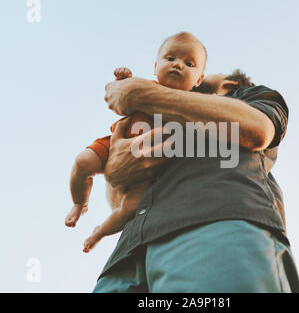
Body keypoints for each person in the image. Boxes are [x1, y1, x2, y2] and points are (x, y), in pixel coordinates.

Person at [91, 64, 299, 292]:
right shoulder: (158, 119)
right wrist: (116, 171)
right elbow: (118, 202)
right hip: (125, 260)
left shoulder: (249, 96)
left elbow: (258, 129)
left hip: (216, 229)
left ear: (229, 85)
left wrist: (143, 94)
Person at [65, 32, 207, 252]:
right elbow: (120, 98)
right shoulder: (146, 87)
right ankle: (79, 203)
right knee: (83, 162)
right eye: (170, 59)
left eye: (189, 63)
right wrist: (123, 81)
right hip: (114, 144)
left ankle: (100, 232)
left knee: (130, 209)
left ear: (198, 80)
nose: (178, 65)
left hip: (149, 168)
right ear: (155, 66)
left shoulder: (195, 103)